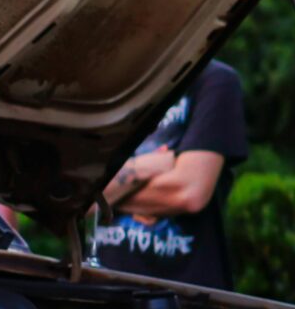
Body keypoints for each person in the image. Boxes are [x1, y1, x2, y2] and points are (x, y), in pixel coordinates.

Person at [93, 60, 249, 291]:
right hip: (102, 287)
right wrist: (150, 166)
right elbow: (75, 194)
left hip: (187, 299)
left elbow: (188, 193)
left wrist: (111, 189)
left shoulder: (214, 81)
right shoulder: (112, 87)